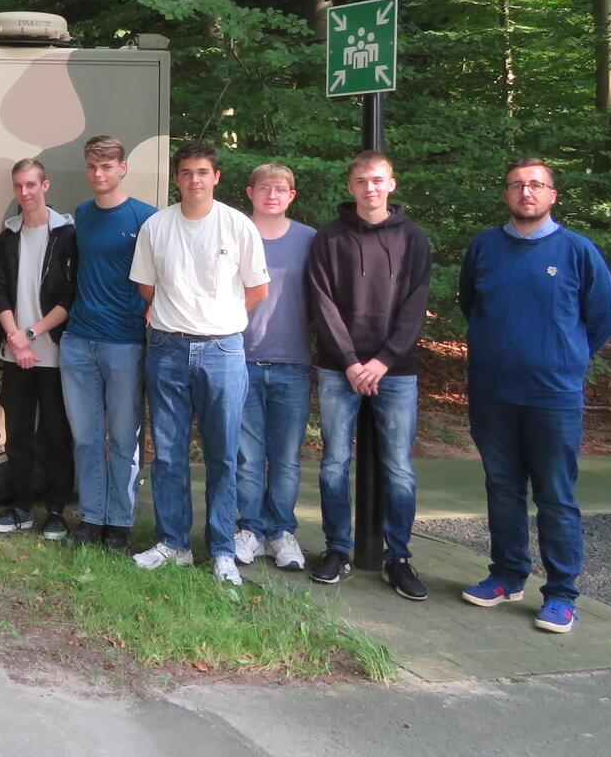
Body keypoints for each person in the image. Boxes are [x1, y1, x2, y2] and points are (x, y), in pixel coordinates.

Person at [458, 158, 611, 635]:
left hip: (554, 396)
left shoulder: (577, 251)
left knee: (555, 495)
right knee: (502, 487)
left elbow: (604, 316)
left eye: (536, 185)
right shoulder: (484, 247)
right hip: (492, 393)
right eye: (517, 185)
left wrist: (567, 358)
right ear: (506, 194)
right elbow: (472, 305)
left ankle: (562, 594)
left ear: (553, 194)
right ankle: (507, 575)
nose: (526, 192)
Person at [128, 143, 269, 586]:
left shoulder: (237, 226)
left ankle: (223, 549)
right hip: (168, 349)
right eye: (187, 172)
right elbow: (147, 289)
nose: (195, 180)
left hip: (223, 352)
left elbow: (257, 290)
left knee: (223, 455)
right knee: (168, 454)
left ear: (216, 177)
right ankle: (175, 544)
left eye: (203, 172)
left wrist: (218, 321)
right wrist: (181, 318)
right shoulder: (157, 226)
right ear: (177, 178)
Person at [304, 150, 434, 599]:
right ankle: (337, 548)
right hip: (340, 369)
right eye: (361, 181)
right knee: (333, 464)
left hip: (396, 370)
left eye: (378, 180)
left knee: (398, 468)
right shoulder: (329, 239)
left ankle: (397, 557)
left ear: (392, 184)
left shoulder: (414, 239)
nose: (370, 188)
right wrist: (350, 362)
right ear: (350, 187)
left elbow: (416, 306)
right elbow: (321, 303)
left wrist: (382, 360)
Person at [60, 135, 157, 552]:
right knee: (85, 436)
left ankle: (119, 521)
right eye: (92, 167)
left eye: (106, 166)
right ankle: (91, 516)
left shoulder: (146, 219)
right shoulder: (81, 215)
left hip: (124, 343)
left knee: (123, 437)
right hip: (79, 340)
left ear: (122, 168)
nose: (98, 174)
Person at [0, 158, 77, 539]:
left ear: (46, 185)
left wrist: (32, 333)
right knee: (18, 433)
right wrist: (15, 338)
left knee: (57, 434)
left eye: (31, 185)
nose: (25, 193)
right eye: (19, 186)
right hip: (15, 353)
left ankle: (56, 510)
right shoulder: (7, 237)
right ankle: (20, 507)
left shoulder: (67, 234)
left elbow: (71, 295)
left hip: (53, 354)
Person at [233, 162, 317, 572]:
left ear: (291, 195)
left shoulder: (309, 240)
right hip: (241, 358)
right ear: (250, 192)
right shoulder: (233, 232)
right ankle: (249, 528)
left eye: (280, 188)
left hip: (293, 362)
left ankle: (281, 532)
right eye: (264, 187)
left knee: (285, 457)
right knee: (247, 456)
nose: (271, 195)